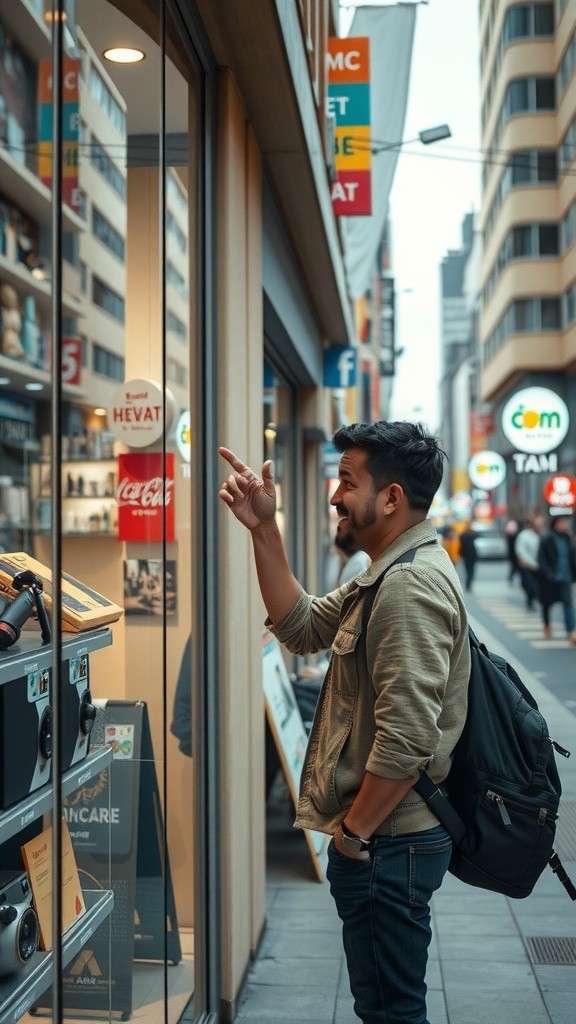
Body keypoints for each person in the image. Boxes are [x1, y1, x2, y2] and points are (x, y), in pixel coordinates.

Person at [219, 420, 470, 1024]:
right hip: (386, 842)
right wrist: (263, 528)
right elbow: (302, 626)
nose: (335, 496)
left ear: (391, 497)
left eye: (346, 481)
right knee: (386, 1005)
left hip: (388, 844)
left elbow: (407, 740)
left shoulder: (408, 587)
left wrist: (354, 834)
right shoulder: (386, 573)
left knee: (390, 1011)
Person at [537, 510, 576, 644]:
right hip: (550, 578)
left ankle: (571, 631)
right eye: (561, 522)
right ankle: (547, 624)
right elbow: (541, 559)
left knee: (568, 604)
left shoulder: (569, 538)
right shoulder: (547, 538)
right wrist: (547, 572)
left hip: (566, 576)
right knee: (547, 604)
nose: (564, 525)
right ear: (554, 524)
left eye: (565, 522)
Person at [515, 513, 545, 610]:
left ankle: (533, 601)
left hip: (540, 566)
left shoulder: (544, 535)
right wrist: (528, 562)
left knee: (538, 586)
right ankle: (530, 601)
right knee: (529, 586)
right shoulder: (524, 535)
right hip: (527, 565)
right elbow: (520, 550)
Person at [458, 524, 478, 591]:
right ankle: (468, 584)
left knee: (467, 570)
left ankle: (467, 584)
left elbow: (460, 546)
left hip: (465, 555)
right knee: (471, 570)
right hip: (472, 555)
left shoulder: (463, 535)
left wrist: (460, 555)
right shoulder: (472, 535)